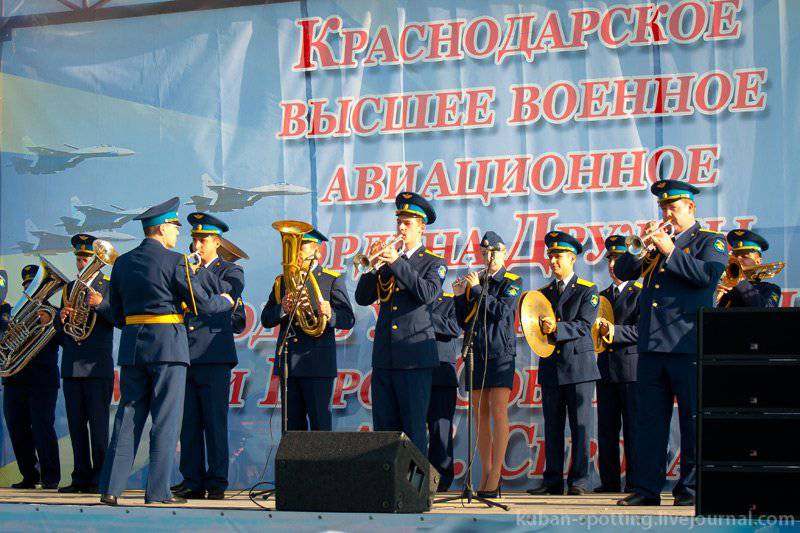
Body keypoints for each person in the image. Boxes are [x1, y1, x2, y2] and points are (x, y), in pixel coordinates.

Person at [99, 197, 234, 506]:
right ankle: (157, 491)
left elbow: (117, 314)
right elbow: (201, 303)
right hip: (169, 347)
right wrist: (226, 301)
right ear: (161, 229)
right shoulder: (175, 262)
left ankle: (110, 488)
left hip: (134, 346)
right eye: (174, 227)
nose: (178, 233)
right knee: (165, 420)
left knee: (128, 417)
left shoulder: (122, 263)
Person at [615, 180, 727, 507]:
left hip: (687, 343)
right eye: (664, 208)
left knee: (692, 420)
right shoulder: (656, 244)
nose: (667, 213)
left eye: (673, 208)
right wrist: (640, 246)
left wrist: (670, 251)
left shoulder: (710, 241)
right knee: (649, 421)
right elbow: (624, 270)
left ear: (691, 208)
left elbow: (708, 277)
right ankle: (647, 489)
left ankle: (690, 490)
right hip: (651, 346)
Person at [354, 191, 446, 455]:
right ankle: (386, 491)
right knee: (384, 427)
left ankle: (415, 494)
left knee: (414, 428)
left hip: (414, 357)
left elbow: (427, 293)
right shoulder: (389, 261)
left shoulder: (433, 262)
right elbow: (362, 298)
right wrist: (372, 268)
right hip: (385, 357)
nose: (401, 228)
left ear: (421, 227)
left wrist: (395, 262)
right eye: (399, 222)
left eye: (407, 223)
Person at [173, 213, 245, 500]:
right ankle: (192, 479)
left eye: (202, 240)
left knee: (214, 422)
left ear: (217, 242)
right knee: (188, 423)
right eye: (194, 239)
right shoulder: (184, 268)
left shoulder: (231, 270)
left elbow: (227, 293)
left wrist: (199, 269)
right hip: (186, 353)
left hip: (214, 355)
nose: (196, 245)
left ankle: (216, 481)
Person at [527, 231, 600, 496]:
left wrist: (557, 328)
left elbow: (583, 326)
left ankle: (581, 480)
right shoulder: (543, 293)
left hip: (579, 368)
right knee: (553, 428)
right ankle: (552, 481)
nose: (553, 261)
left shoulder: (587, 290)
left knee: (581, 428)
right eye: (550, 256)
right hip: (551, 369)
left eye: (558, 256)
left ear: (572, 258)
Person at [261, 227, 354, 431]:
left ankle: (322, 465)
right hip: (290, 365)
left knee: (320, 429)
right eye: (293, 248)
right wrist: (282, 309)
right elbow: (266, 319)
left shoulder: (331, 279)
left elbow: (348, 319)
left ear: (316, 251)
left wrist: (330, 314)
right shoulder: (282, 281)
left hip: (318, 365)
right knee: (292, 431)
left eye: (299, 248)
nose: (294, 253)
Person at [453, 231, 522, 498]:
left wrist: (479, 290)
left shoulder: (512, 281)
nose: (488, 257)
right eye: (484, 253)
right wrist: (461, 295)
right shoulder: (476, 281)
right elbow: (464, 321)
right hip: (476, 353)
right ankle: (484, 473)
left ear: (504, 254)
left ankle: (496, 476)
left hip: (500, 353)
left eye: (493, 252)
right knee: (479, 415)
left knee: (498, 411)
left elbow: (502, 313)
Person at [55, 234, 116, 494]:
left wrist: (100, 305)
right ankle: (80, 477)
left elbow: (118, 318)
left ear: (97, 260)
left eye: (87, 259)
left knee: (99, 425)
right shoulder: (69, 289)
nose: (82, 264)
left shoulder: (108, 285)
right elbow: (63, 333)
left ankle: (100, 478)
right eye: (79, 259)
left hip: (96, 366)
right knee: (76, 426)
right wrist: (61, 318)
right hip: (71, 366)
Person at [2, 264, 61, 489]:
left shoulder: (54, 314)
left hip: (42, 381)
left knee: (42, 427)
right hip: (14, 380)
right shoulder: (10, 314)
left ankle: (50, 477)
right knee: (17, 429)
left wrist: (53, 324)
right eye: (29, 287)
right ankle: (29, 475)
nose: (34, 293)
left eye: (37, 287)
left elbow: (64, 340)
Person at [594, 235, 641, 494]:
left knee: (634, 431)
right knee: (607, 431)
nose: (613, 264)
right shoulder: (600, 297)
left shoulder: (640, 294)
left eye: (619, 259)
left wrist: (616, 332)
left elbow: (643, 330)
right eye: (610, 259)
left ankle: (635, 483)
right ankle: (609, 482)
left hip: (632, 371)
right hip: (605, 370)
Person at [426, 291, 460, 493]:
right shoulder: (407, 300)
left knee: (441, 430)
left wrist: (425, 315)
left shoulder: (449, 300)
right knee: (411, 430)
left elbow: (454, 327)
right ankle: (413, 478)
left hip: (441, 373)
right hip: (411, 371)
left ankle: (441, 480)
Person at [716, 229, 781, 308]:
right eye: (735, 256)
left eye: (744, 256)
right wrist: (714, 298)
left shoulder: (770, 289)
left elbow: (765, 310)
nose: (738, 259)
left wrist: (740, 280)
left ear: (758, 261)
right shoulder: (726, 287)